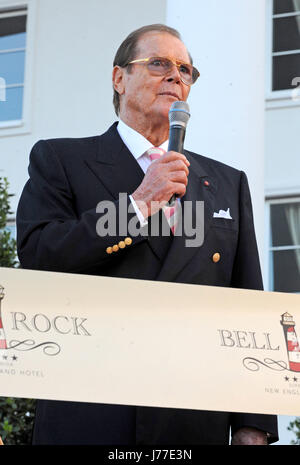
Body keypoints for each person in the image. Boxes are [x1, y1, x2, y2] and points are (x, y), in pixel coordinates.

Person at [16, 24, 278, 445]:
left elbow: (246, 302)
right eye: (159, 63)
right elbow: (39, 257)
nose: (176, 76)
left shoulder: (227, 182)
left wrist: (253, 423)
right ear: (119, 78)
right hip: (93, 412)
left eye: (186, 70)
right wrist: (139, 204)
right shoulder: (61, 159)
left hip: (193, 416)